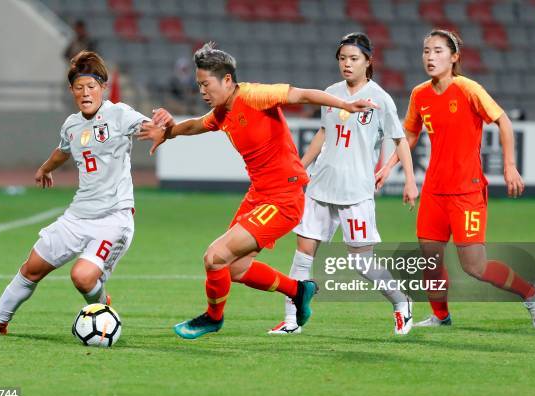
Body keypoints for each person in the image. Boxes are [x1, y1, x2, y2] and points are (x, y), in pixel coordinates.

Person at [138, 42, 378, 340]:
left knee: (214, 257)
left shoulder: (254, 95)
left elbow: (301, 94)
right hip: (260, 195)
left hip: (284, 197)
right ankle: (298, 290)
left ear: (227, 80)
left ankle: (213, 318)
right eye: (198, 84)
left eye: (205, 84)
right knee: (235, 268)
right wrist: (168, 132)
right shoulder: (222, 112)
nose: (201, 90)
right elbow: (197, 125)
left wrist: (345, 104)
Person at [0, 51, 149, 335]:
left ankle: (102, 309)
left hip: (113, 218)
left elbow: (151, 127)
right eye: (79, 87)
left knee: (82, 277)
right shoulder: (71, 125)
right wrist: (45, 168)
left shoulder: (119, 114)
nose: (86, 93)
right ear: (71, 90)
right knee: (31, 267)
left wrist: (163, 128)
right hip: (77, 216)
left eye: (91, 87)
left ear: (102, 88)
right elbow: (63, 151)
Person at [376, 29, 535, 328]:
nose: (430, 57)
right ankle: (441, 316)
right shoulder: (420, 94)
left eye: (438, 51)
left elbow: (503, 121)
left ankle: (530, 292)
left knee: (475, 267)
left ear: (454, 57)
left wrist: (509, 165)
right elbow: (410, 133)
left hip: (466, 191)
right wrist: (390, 166)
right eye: (426, 51)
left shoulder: (468, 88)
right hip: (434, 191)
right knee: (430, 260)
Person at [268, 32, 418, 336]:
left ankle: (402, 303)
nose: (346, 64)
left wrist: (410, 181)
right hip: (322, 185)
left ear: (368, 61)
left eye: (353, 59)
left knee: (362, 263)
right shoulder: (331, 93)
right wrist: (300, 168)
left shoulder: (380, 98)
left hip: (356, 191)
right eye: (342, 58)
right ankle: (291, 320)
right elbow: (324, 133)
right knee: (302, 255)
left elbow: (400, 141)